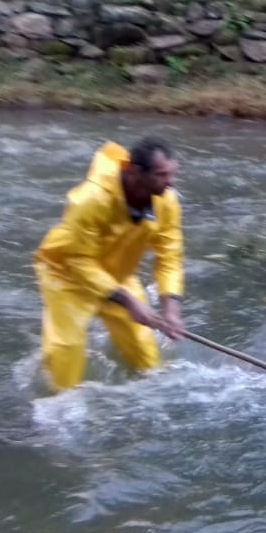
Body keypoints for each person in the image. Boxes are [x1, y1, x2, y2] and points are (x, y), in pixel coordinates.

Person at [33, 136, 186, 391]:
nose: (170, 183)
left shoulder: (167, 201)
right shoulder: (90, 200)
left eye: (173, 174)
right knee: (66, 349)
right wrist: (129, 301)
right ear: (137, 172)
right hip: (66, 275)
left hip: (117, 274)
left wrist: (171, 308)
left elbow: (169, 254)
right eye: (162, 175)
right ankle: (53, 413)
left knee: (145, 353)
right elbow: (79, 261)